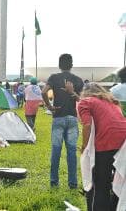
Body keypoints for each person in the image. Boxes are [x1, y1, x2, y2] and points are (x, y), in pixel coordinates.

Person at [78, 83, 126, 211]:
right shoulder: (113, 102)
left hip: (105, 143)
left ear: (85, 92)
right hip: (123, 144)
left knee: (100, 184)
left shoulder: (85, 101)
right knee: (119, 182)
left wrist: (83, 147)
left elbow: (87, 125)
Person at [42, 53, 84, 189]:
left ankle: (54, 182)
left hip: (58, 117)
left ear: (59, 65)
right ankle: (73, 183)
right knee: (71, 151)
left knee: (56, 150)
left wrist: (49, 107)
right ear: (72, 65)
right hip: (72, 118)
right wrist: (72, 92)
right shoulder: (78, 80)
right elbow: (81, 101)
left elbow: (43, 92)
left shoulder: (54, 78)